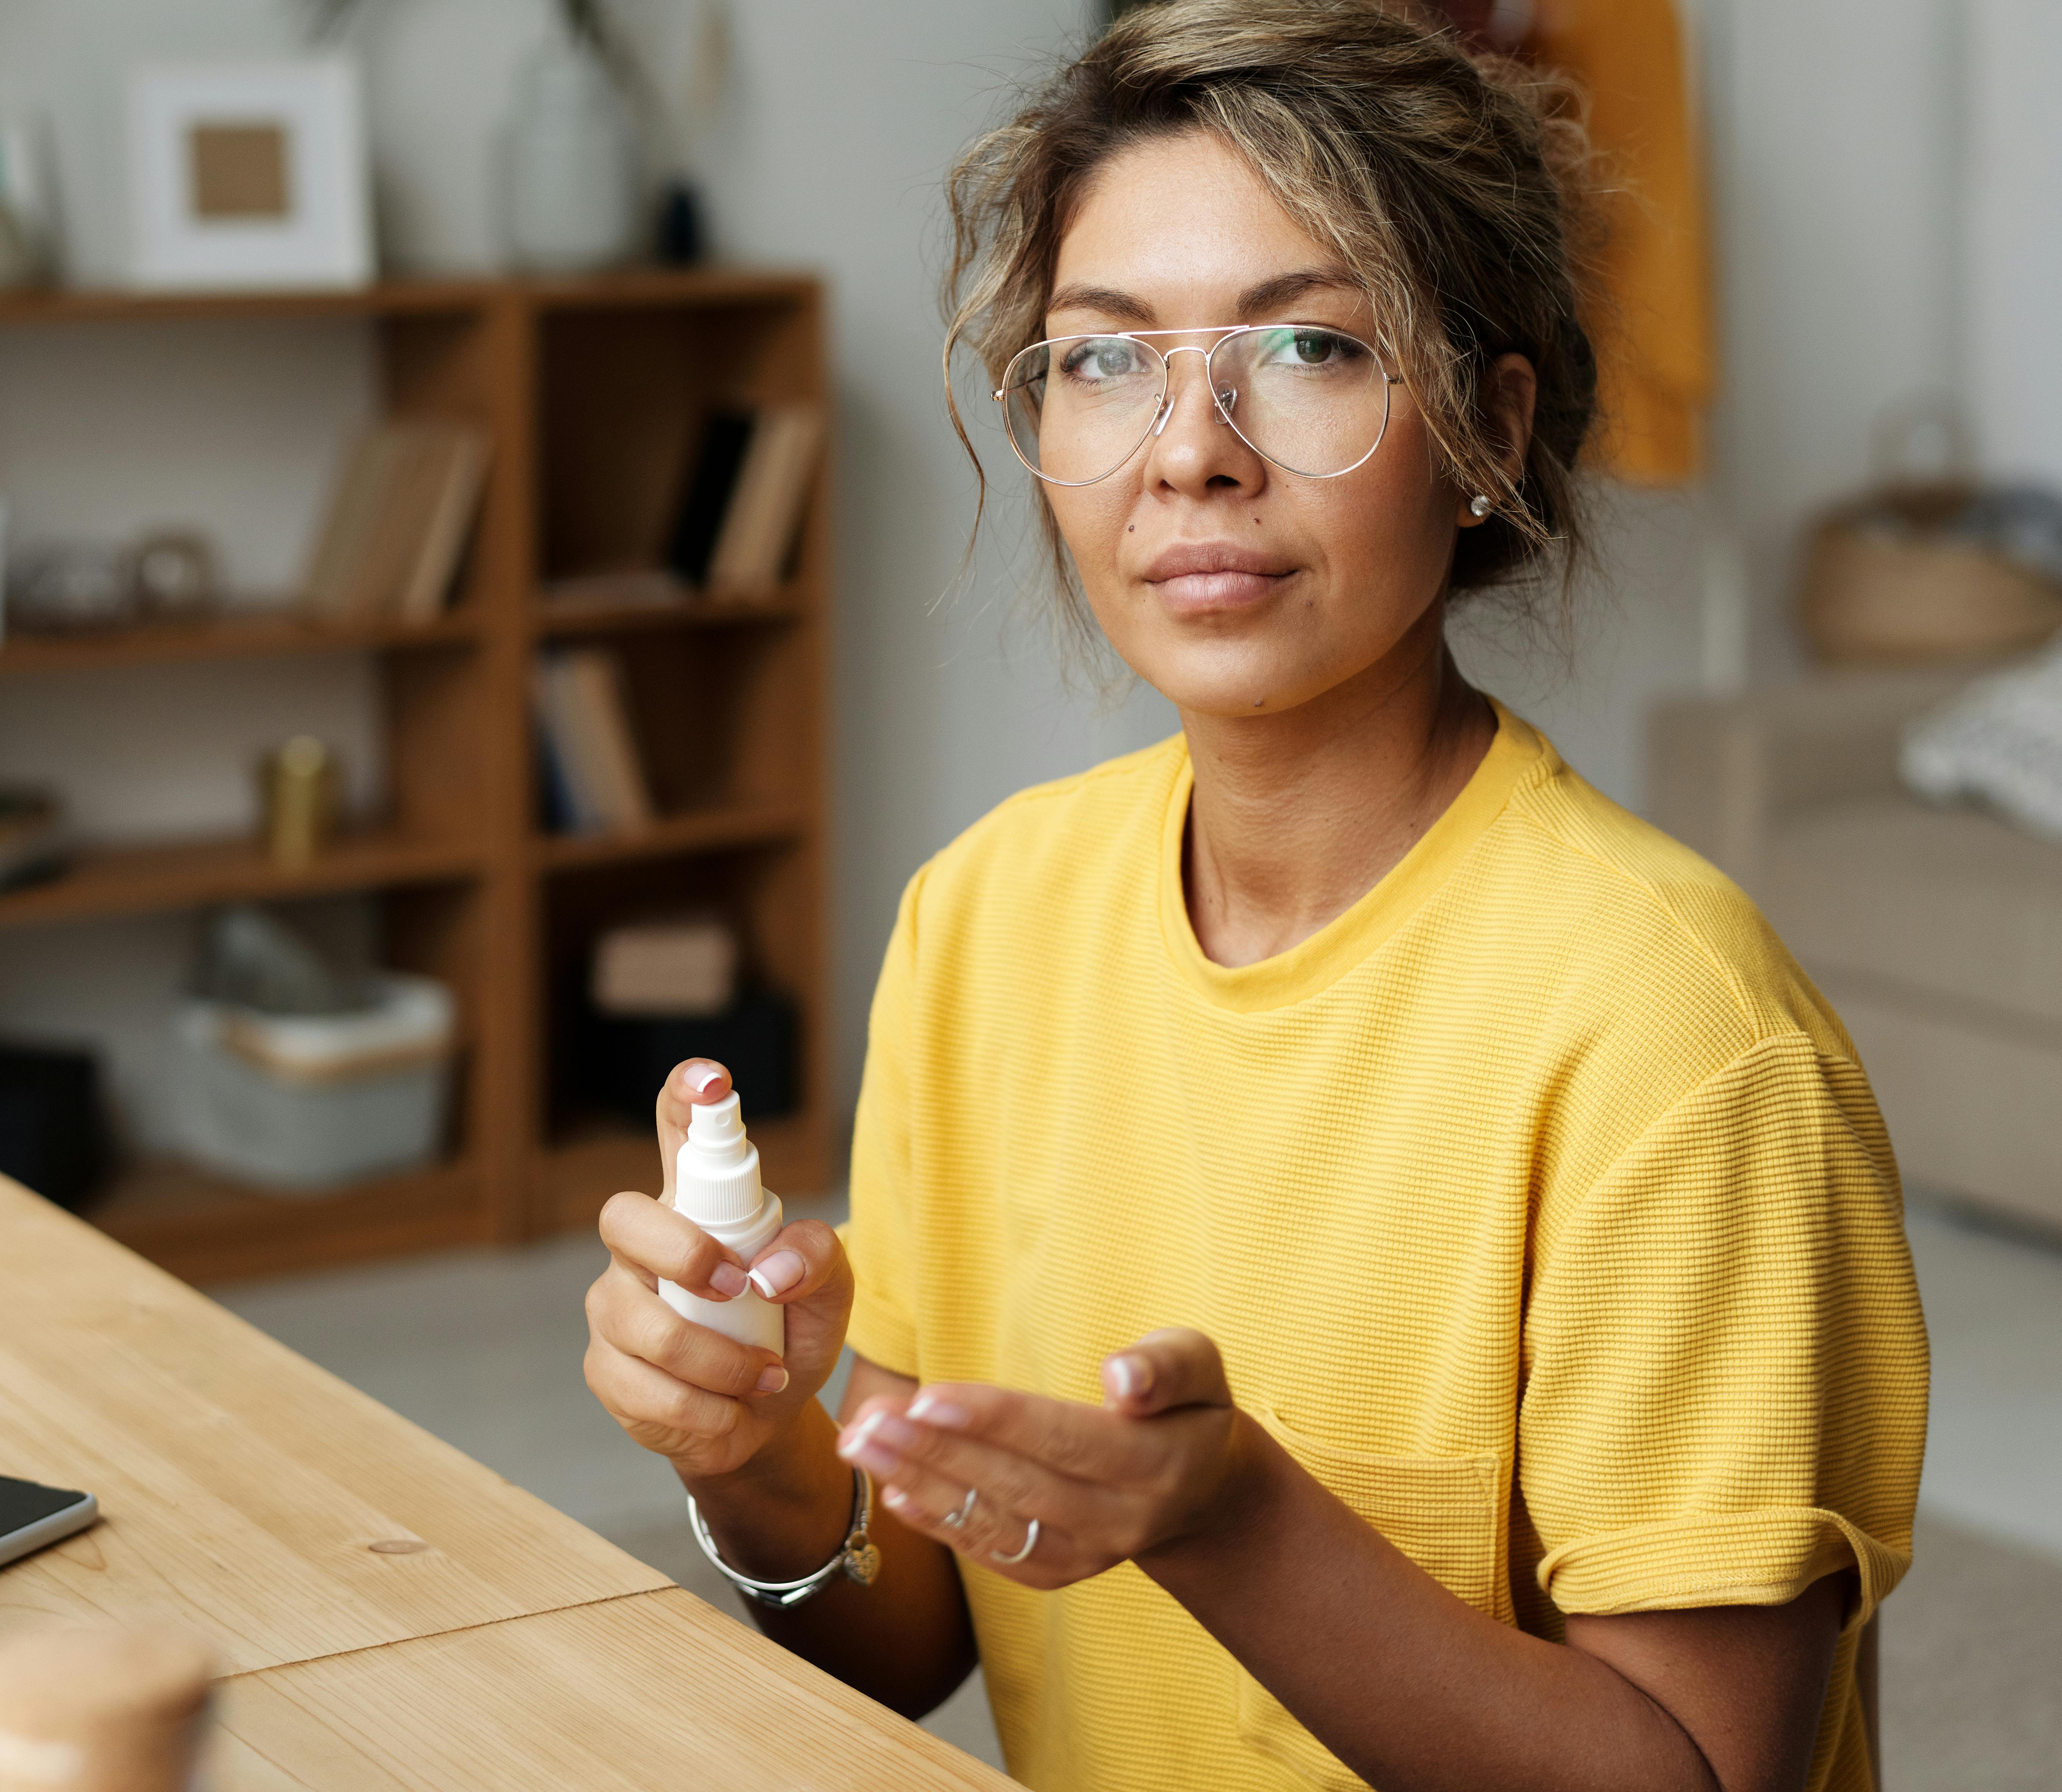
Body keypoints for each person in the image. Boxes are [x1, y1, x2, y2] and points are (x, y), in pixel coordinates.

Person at [580, 2, 1928, 1789]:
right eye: (1102, 357)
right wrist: (750, 1453)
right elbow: (905, 1641)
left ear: (1483, 428)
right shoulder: (980, 919)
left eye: (1306, 345)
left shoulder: (1674, 1037)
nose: (1188, 449)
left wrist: (1222, 1522)